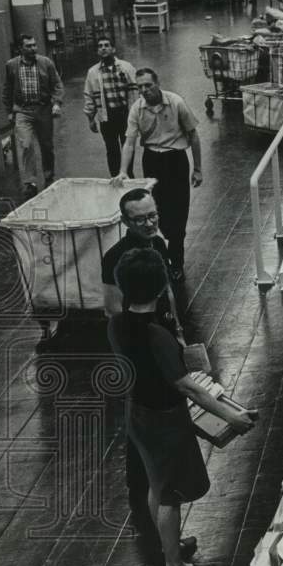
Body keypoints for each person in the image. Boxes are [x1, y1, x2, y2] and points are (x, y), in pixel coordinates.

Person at [108, 247, 256, 566]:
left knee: (155, 482)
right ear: (161, 287)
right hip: (164, 419)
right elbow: (189, 387)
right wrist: (232, 418)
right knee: (171, 494)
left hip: (138, 413)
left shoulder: (117, 324)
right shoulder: (156, 334)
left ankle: (168, 545)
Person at [102, 187, 184, 531]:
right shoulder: (115, 258)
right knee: (145, 417)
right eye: (140, 219)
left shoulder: (160, 245)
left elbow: (167, 292)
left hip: (163, 335)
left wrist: (177, 329)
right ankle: (141, 488)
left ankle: (159, 482)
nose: (149, 223)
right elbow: (111, 308)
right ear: (125, 221)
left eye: (153, 215)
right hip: (141, 346)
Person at [113, 69, 202, 283]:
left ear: (157, 83)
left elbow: (193, 135)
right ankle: (162, 259)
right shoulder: (137, 108)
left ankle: (177, 263)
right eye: (140, 86)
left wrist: (197, 168)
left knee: (179, 215)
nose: (144, 90)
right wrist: (123, 170)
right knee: (155, 211)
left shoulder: (176, 102)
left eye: (148, 85)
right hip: (152, 161)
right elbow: (129, 142)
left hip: (176, 160)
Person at [2, 34, 65, 199]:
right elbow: (7, 90)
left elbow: (57, 84)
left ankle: (49, 176)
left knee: (46, 145)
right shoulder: (11, 65)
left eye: (34, 45)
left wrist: (57, 103)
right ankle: (30, 182)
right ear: (20, 49)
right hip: (23, 111)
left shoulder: (46, 63)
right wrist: (9, 111)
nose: (33, 48)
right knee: (26, 144)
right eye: (28, 46)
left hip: (43, 109)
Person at [84, 36, 138, 177]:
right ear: (97, 51)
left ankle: (128, 174)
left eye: (107, 45)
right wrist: (91, 119)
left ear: (113, 49)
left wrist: (138, 115)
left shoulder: (126, 67)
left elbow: (136, 91)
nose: (103, 48)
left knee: (128, 145)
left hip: (126, 114)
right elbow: (89, 96)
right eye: (100, 46)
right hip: (107, 116)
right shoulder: (93, 72)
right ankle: (115, 176)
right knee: (111, 149)